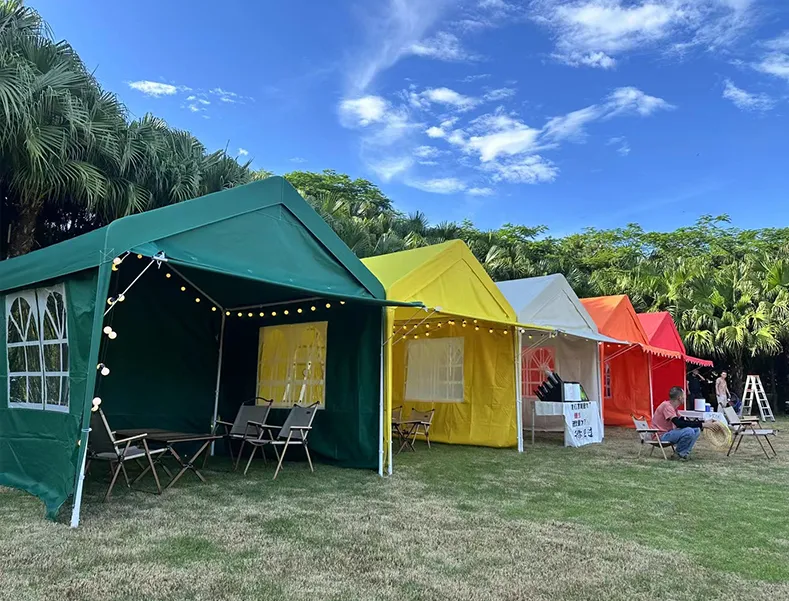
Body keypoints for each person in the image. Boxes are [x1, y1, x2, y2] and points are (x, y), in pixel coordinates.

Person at [652, 386, 705, 460]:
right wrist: (702, 424)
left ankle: (684, 453)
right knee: (689, 431)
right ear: (679, 398)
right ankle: (679, 454)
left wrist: (703, 423)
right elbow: (679, 424)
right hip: (661, 436)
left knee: (696, 430)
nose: (685, 397)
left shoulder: (673, 407)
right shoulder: (667, 406)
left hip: (668, 433)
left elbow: (683, 421)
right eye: (684, 396)